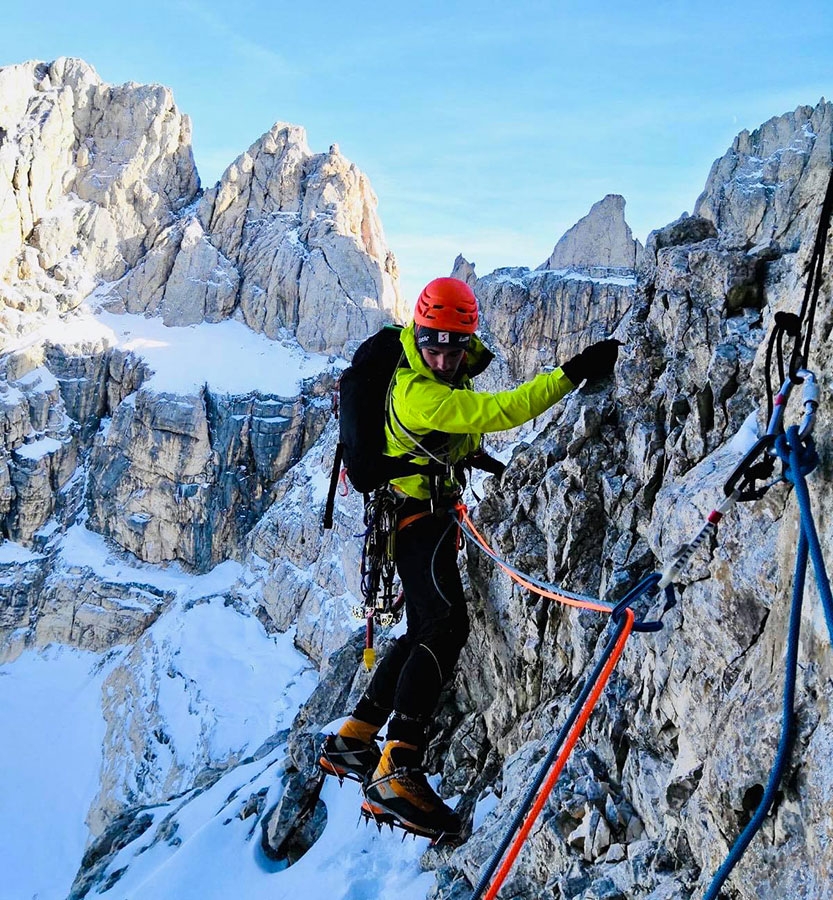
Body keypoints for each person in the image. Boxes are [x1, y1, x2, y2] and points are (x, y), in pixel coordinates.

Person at [319, 277, 620, 838]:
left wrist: (469, 460)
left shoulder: (425, 368)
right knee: (444, 626)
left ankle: (357, 735)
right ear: (417, 335)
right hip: (418, 519)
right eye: (432, 346)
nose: (441, 358)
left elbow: (444, 437)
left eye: (452, 349)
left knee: (421, 631)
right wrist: (572, 373)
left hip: (411, 513)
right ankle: (397, 767)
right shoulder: (420, 391)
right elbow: (500, 410)